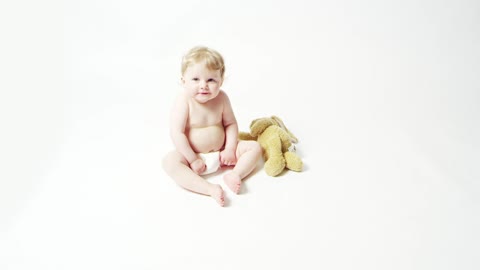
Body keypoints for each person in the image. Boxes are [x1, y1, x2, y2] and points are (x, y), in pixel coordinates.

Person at [163, 46, 262, 206]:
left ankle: (235, 175)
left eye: (211, 80)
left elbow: (230, 124)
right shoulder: (184, 101)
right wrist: (193, 159)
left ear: (220, 81)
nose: (203, 85)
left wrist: (230, 149)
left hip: (223, 155)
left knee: (254, 147)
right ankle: (209, 189)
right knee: (170, 162)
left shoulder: (222, 98)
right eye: (195, 79)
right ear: (184, 81)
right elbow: (177, 133)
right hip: (194, 157)